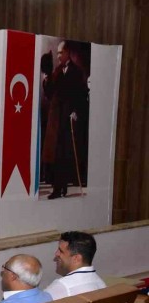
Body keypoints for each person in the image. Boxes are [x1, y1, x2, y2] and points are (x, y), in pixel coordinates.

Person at [41, 40, 88, 199]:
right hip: (55, 118)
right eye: (58, 53)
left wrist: (75, 111)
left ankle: (62, 187)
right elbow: (49, 94)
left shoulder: (77, 72)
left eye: (61, 53)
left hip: (68, 118)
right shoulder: (56, 71)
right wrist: (46, 78)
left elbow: (81, 95)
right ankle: (57, 188)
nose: (58, 56)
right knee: (55, 154)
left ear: (67, 52)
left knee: (64, 154)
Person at [43, 231, 105, 301]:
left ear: (76, 258)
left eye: (61, 251)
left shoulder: (64, 286)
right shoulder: (100, 283)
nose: (56, 254)